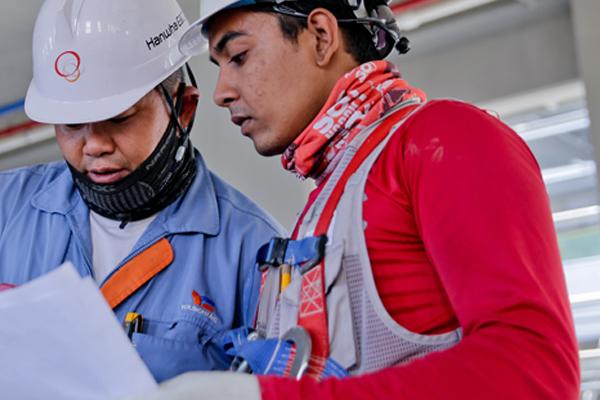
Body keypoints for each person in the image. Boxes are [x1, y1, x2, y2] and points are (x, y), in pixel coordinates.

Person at [131, 0, 580, 398]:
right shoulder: (329, 200)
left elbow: (536, 374)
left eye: (239, 57)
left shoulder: (444, 140)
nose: (221, 92)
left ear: (321, 36)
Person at [0, 0, 286, 398]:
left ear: (183, 108)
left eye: (120, 117)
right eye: (71, 124)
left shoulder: (255, 250)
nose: (93, 144)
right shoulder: (0, 211)